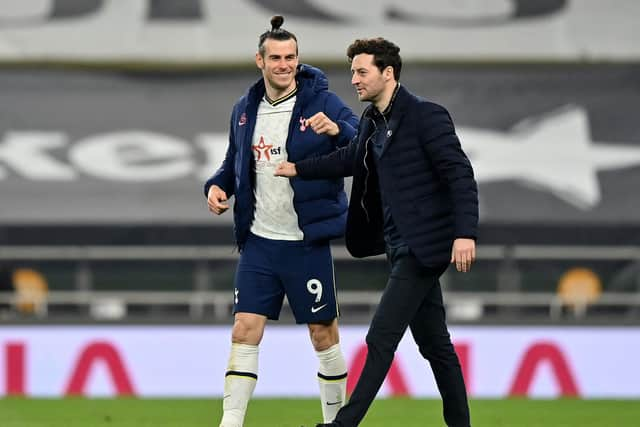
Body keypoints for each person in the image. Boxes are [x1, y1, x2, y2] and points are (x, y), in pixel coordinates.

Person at [275, 37, 478, 427]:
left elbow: (460, 175)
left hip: (423, 248)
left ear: (388, 74)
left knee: (380, 337)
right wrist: (300, 168)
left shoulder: (427, 116)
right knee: (436, 346)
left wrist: (464, 233)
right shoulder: (372, 120)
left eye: (361, 71)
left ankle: (344, 424)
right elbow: (351, 159)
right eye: (353, 71)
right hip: (397, 246)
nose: (353, 79)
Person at [204, 15, 359, 427]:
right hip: (259, 242)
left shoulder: (322, 102)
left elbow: (362, 137)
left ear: (298, 60)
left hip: (305, 242)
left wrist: (338, 128)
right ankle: (231, 422)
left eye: (290, 57)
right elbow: (233, 163)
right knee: (243, 329)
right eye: (275, 57)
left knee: (322, 333)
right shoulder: (244, 109)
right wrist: (217, 187)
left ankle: (333, 422)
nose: (284, 64)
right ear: (260, 60)